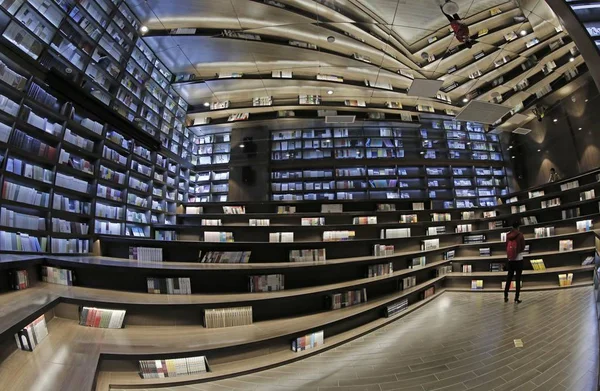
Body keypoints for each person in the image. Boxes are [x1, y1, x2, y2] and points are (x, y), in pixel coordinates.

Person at [504, 221, 526, 303]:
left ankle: (505, 296)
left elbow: (506, 245)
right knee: (518, 279)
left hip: (510, 259)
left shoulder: (507, 235)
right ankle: (516, 298)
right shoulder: (520, 235)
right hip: (519, 259)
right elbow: (523, 247)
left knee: (509, 278)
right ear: (518, 227)